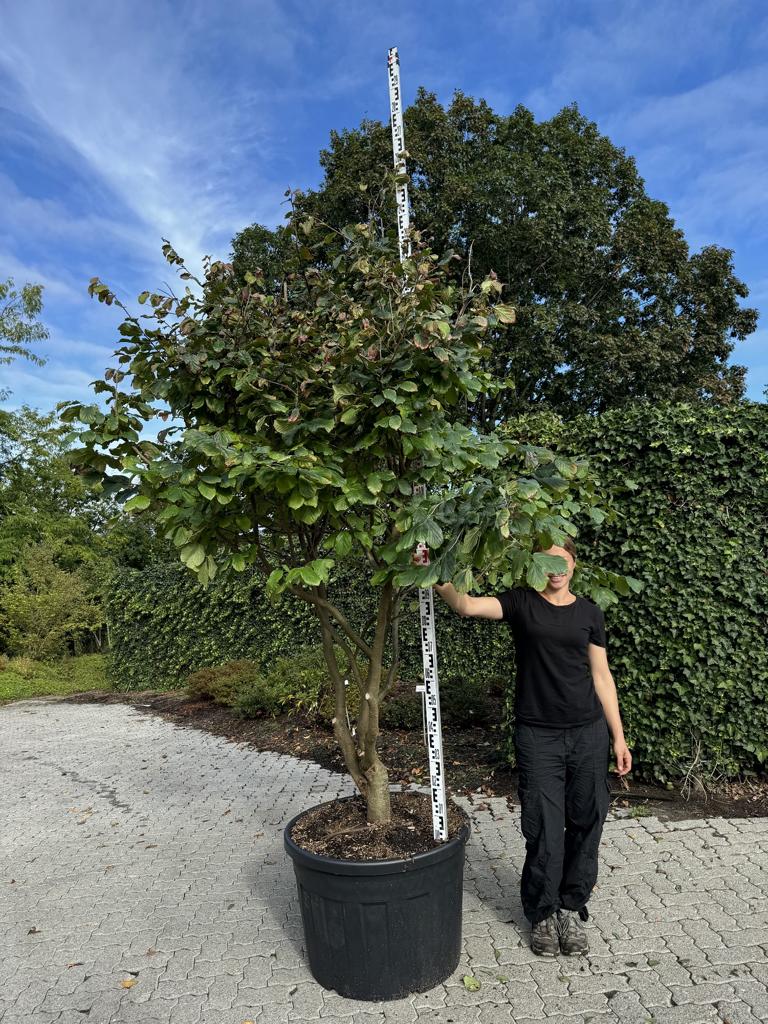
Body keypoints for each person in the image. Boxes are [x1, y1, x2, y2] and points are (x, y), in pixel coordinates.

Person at [430, 539, 632, 957]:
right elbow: (465, 605)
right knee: (542, 828)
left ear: (574, 564)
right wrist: (433, 572)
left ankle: (571, 909)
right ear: (535, 564)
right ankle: (542, 912)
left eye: (563, 560)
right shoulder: (522, 603)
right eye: (547, 560)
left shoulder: (590, 613)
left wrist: (618, 736)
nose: (555, 568)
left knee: (587, 820)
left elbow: (602, 677)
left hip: (588, 734)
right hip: (538, 736)